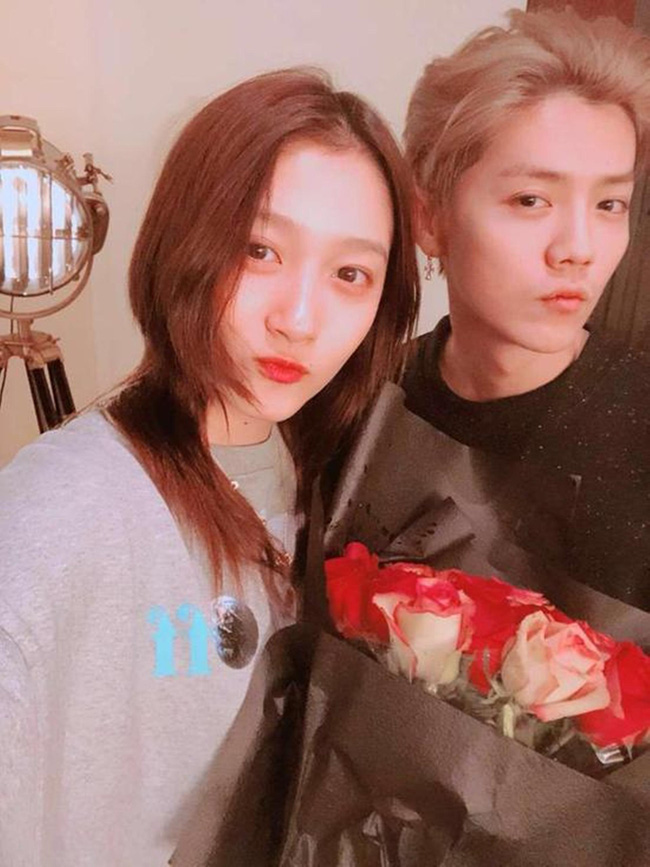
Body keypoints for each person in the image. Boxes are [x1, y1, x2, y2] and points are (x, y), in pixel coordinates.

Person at [0, 69, 419, 866]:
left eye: (350, 274)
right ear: (183, 241)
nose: (299, 319)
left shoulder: (344, 486)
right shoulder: (60, 510)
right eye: (260, 249)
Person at [402, 7, 650, 609]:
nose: (578, 250)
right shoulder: (363, 399)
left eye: (609, 205)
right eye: (532, 199)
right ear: (429, 218)